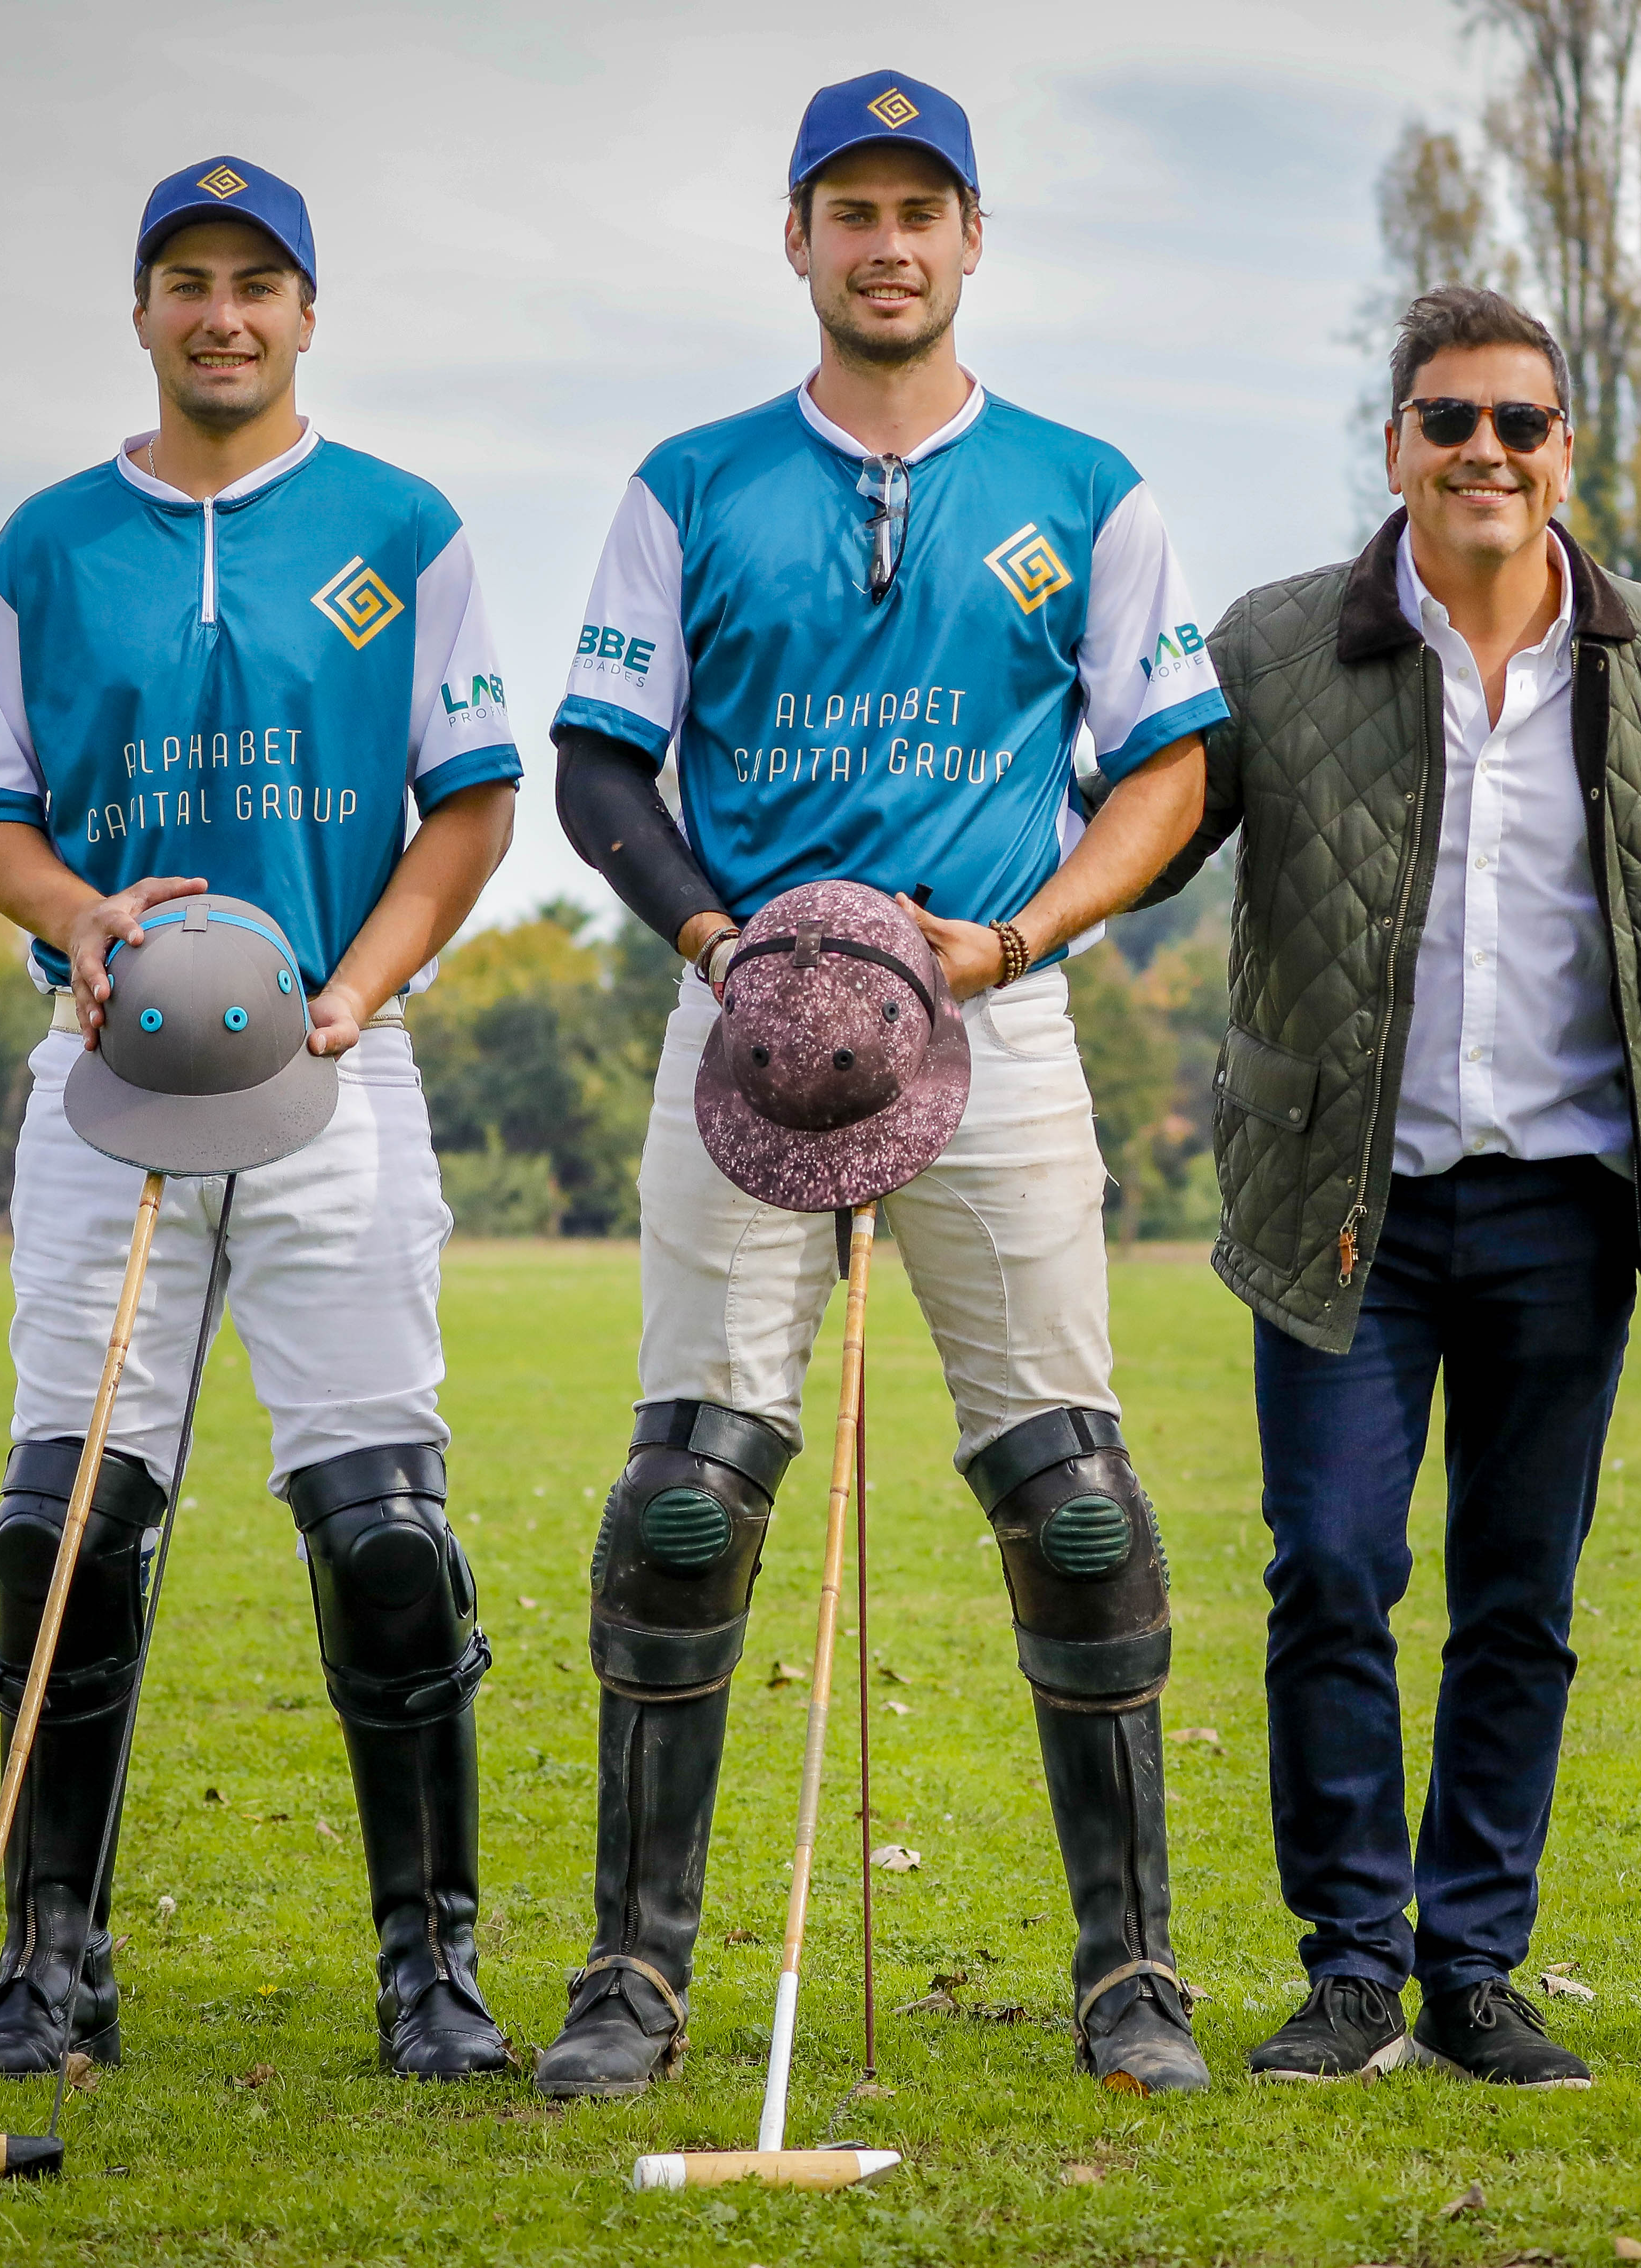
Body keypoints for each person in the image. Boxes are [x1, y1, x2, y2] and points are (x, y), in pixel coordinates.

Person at [534, 70, 1226, 2101]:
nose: (889, 243)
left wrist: (1012, 941)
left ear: (972, 240)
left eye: (923, 210)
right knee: (686, 1493)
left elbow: (1171, 771)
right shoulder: (689, 482)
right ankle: (633, 1974)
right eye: (853, 210)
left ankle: (1131, 1971)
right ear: (798, 238)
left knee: (1073, 1498)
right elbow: (598, 762)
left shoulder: (1087, 488)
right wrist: (717, 948)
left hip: (992, 1024)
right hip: (745, 1028)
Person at [0, 157, 522, 2079]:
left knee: (386, 1532)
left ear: (306, 313)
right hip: (104, 1080)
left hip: (334, 1076)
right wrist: (79, 917)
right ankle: (54, 1961)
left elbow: (470, 800)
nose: (222, 314)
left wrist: (362, 988)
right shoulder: (42, 547)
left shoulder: (401, 527)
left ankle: (429, 1966)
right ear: (141, 311)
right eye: (187, 280)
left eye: (257, 283)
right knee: (62, 1530)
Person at [1139, 286, 1641, 2087]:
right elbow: (1134, 829)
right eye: (1447, 420)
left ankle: (1473, 1968)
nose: (1484, 450)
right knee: (1331, 1569)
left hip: (1568, 1203)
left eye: (1518, 423)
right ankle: (1350, 1967)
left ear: (1565, 450)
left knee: (1518, 1597)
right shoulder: (1274, 645)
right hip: (1346, 1199)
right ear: (1394, 443)